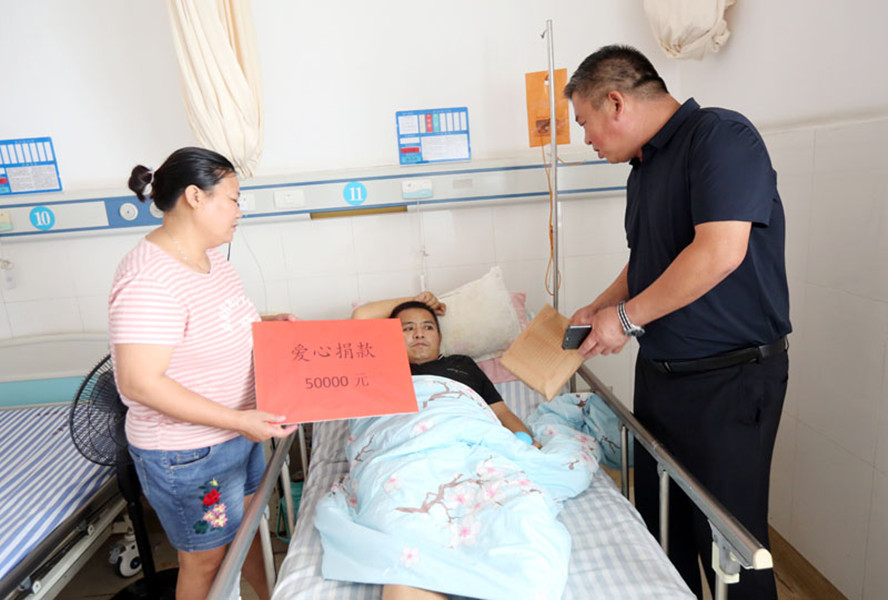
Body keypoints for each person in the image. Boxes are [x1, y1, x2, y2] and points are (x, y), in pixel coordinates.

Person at [564, 45, 791, 599]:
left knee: (730, 545)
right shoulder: (643, 169)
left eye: (585, 122)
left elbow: (719, 252)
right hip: (662, 375)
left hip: (729, 379)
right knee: (664, 530)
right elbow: (649, 260)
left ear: (615, 102)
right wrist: (600, 307)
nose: (586, 139)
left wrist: (624, 319)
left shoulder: (721, 138)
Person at [109, 147, 298, 600]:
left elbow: (210, 325)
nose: (239, 211)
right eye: (233, 199)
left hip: (237, 433)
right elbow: (139, 382)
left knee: (248, 533)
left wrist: (265, 326)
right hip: (188, 452)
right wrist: (239, 420)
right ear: (196, 197)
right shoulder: (149, 279)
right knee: (205, 562)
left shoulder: (212, 260)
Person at [352, 292, 539, 600]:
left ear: (440, 337)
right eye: (407, 328)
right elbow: (361, 318)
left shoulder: (462, 365)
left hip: (470, 445)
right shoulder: (380, 366)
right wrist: (415, 299)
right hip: (403, 451)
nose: (419, 334)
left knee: (515, 514)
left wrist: (527, 442)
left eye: (427, 326)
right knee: (405, 522)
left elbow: (501, 413)